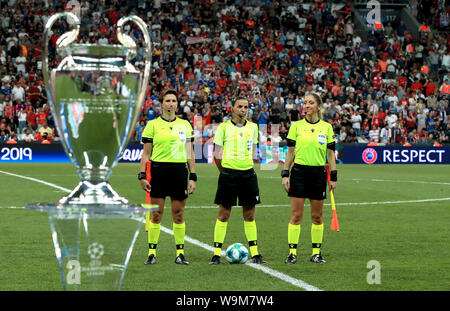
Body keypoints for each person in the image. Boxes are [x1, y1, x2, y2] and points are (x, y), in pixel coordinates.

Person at [139, 89, 197, 265]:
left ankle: (180, 253)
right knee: (156, 214)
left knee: (178, 214)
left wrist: (193, 176)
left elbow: (190, 153)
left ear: (177, 104)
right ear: (161, 104)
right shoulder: (152, 125)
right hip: (158, 171)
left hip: (179, 172)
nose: (171, 103)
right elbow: (146, 154)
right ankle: (151, 253)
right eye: (168, 101)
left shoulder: (185, 125)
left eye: (174, 100)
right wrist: (142, 175)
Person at [209, 96, 266, 265]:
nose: (243, 109)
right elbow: (217, 154)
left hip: (248, 175)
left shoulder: (254, 128)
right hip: (228, 175)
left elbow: (254, 151)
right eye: (239, 106)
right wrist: (225, 171)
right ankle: (216, 254)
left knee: (249, 215)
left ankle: (255, 254)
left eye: (246, 107)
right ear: (232, 108)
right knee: (223, 214)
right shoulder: (223, 128)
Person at [281, 93, 337, 264]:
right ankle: (292, 253)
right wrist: (285, 173)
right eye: (305, 103)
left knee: (317, 217)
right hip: (299, 173)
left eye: (310, 103)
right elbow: (290, 152)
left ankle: (316, 253)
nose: (306, 106)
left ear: (318, 106)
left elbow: (330, 154)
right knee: (296, 216)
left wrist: (333, 176)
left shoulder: (327, 127)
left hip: (318, 174)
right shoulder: (296, 126)